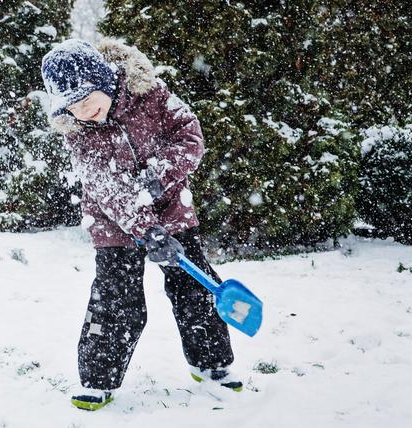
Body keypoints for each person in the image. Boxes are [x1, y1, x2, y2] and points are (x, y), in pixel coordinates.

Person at [41, 39, 243, 411]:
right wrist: (145, 229)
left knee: (194, 289)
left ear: (105, 79)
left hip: (171, 207)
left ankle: (212, 364)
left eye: (89, 99)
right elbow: (107, 188)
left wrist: (156, 177)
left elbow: (190, 137)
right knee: (115, 300)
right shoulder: (80, 134)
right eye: (74, 105)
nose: (86, 111)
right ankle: (98, 381)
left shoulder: (150, 93)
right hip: (114, 220)